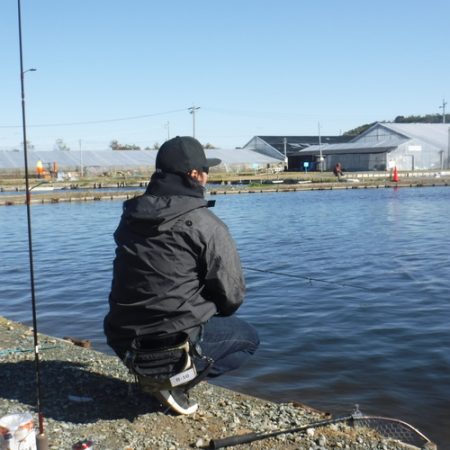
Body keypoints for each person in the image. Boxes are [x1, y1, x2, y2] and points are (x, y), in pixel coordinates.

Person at [104, 136, 259, 415]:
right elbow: (232, 299)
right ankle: (175, 381)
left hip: (122, 340)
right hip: (170, 345)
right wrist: (209, 304)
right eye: (206, 172)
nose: (208, 178)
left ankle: (154, 374)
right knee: (247, 338)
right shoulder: (207, 225)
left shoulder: (129, 216)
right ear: (195, 175)